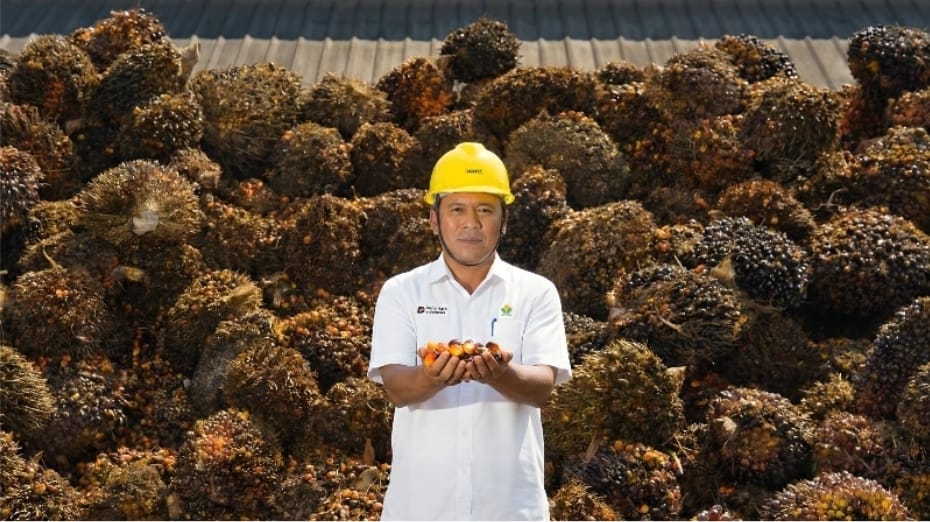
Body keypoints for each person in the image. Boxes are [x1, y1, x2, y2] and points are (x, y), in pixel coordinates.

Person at [367, 142, 572, 520]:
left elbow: (543, 387)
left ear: (503, 221)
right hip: (421, 508)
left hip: (510, 509)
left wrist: (500, 374)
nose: (471, 222)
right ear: (434, 219)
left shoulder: (535, 292)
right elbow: (395, 387)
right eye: (457, 209)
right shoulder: (402, 292)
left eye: (485, 210)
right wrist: (431, 377)